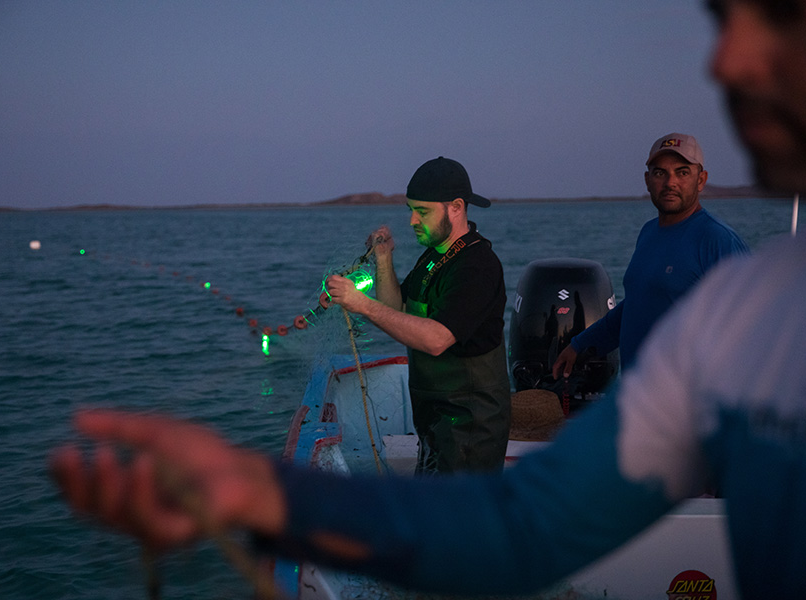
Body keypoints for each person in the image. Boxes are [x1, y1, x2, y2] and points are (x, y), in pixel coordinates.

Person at [50, 1, 806, 598]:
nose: (727, 59)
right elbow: (529, 521)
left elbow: (435, 337)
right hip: (499, 418)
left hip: (475, 416)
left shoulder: (718, 268)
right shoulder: (734, 309)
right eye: (723, 17)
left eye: (778, 12)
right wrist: (264, 495)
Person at [323, 156, 511, 474]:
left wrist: (362, 304)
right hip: (436, 419)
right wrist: (383, 258)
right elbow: (397, 309)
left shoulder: (476, 266)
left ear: (456, 207)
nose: (412, 220)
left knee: (455, 516)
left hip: (471, 425)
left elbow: (437, 339)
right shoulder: (434, 256)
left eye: (422, 211)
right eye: (410, 209)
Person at [552, 132, 749, 379]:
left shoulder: (717, 240)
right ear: (647, 180)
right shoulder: (648, 233)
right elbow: (637, 306)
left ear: (701, 180)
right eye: (660, 173)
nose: (670, 182)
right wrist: (579, 345)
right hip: (639, 398)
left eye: (683, 172)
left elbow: (753, 325)